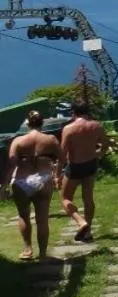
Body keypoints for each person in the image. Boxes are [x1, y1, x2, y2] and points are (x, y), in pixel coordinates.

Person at [6, 111, 62, 260]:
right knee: (42, 219)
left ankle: (27, 250)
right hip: (43, 179)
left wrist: (4, 185)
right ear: (42, 123)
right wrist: (57, 174)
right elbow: (62, 158)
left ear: (27, 124)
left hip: (22, 180)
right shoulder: (50, 139)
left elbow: (12, 164)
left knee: (23, 216)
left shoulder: (18, 141)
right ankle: (43, 254)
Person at [60, 101, 106, 242]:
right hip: (91, 164)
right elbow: (104, 146)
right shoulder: (97, 126)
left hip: (75, 166)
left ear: (73, 112)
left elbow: (63, 152)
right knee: (88, 198)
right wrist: (96, 154)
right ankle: (88, 232)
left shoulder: (69, 128)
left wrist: (57, 172)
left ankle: (81, 222)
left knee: (65, 198)